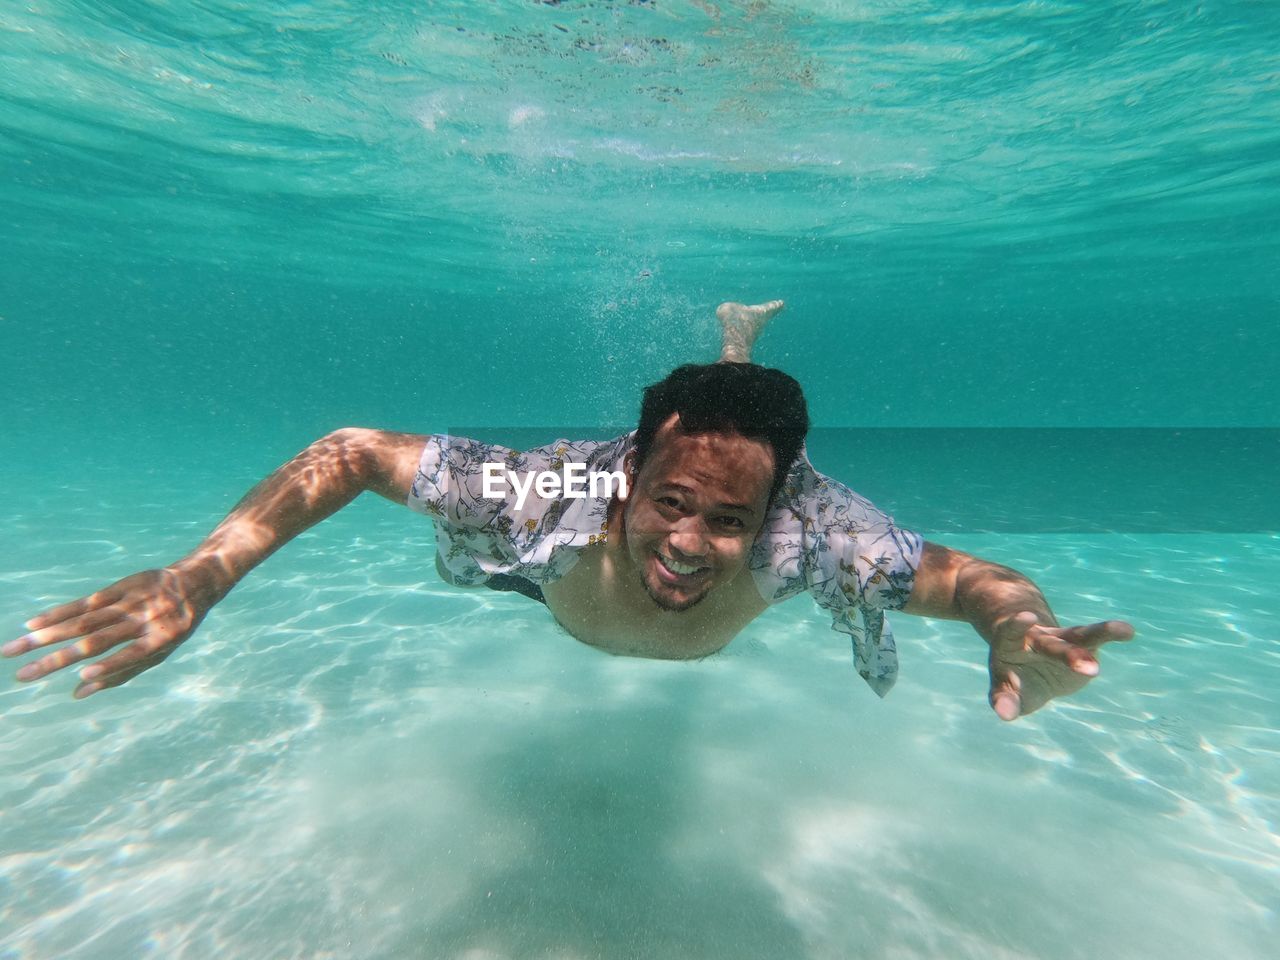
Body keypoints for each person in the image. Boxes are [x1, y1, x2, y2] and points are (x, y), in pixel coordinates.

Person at [5, 300, 1133, 719]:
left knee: (735, 435)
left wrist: (1011, 628)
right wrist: (198, 575)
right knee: (690, 441)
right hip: (558, 568)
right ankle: (724, 352)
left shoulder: (812, 530)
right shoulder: (544, 495)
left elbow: (973, 578)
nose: (689, 546)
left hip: (720, 486)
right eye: (670, 501)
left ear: (777, 505)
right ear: (628, 472)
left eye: (728, 520)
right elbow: (347, 452)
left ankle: (734, 344)